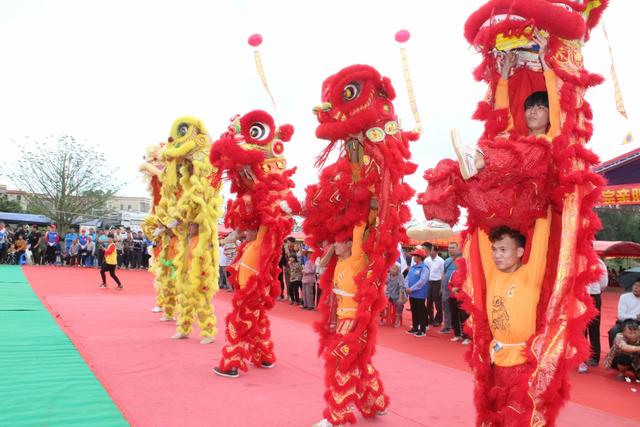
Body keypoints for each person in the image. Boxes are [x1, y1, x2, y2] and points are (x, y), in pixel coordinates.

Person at [478, 211, 551, 422]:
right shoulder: (493, 273)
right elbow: (481, 231)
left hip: (522, 365)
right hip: (494, 362)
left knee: (518, 420)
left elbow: (541, 234)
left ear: (520, 252)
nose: (496, 255)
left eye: (503, 250)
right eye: (494, 250)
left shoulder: (530, 274)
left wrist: (543, 202)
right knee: (495, 417)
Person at [579, 258, 608, 373]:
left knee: (594, 327)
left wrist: (596, 290)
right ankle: (582, 356)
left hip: (593, 296)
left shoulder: (598, 262)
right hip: (580, 297)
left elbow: (604, 282)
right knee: (581, 328)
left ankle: (594, 357)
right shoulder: (578, 260)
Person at [404, 248, 430, 337]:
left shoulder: (424, 268)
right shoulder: (413, 267)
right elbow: (407, 278)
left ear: (419, 257)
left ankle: (422, 329)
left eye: (414, 256)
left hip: (420, 294)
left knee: (420, 311)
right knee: (414, 310)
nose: (413, 257)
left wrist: (412, 289)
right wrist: (407, 287)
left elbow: (422, 281)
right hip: (412, 293)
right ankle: (415, 327)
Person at [608, 280, 640, 348]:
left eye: (639, 286)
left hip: (638, 323)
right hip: (625, 322)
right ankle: (613, 355)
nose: (636, 288)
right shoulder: (624, 297)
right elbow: (621, 316)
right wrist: (635, 316)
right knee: (613, 331)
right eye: (635, 285)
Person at [424, 243, 445, 328]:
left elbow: (443, 273)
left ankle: (438, 319)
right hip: (429, 282)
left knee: (437, 302)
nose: (429, 251)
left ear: (436, 251)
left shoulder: (441, 261)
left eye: (431, 250)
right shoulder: (427, 260)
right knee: (429, 302)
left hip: (438, 282)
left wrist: (442, 286)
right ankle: (431, 318)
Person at [384, 263, 406, 328]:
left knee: (400, 303)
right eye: (391, 268)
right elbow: (384, 282)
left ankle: (397, 319)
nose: (392, 270)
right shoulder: (388, 275)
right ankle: (383, 316)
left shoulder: (400, 276)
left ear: (398, 270)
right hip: (389, 294)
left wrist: (400, 297)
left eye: (394, 269)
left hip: (397, 295)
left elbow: (402, 287)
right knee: (380, 300)